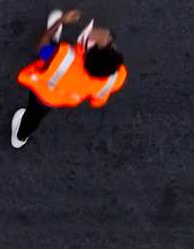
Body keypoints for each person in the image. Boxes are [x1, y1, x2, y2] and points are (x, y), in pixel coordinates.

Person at [10, 8, 129, 149]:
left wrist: (61, 21)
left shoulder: (61, 58)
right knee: (35, 117)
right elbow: (97, 100)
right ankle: (20, 137)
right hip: (63, 97)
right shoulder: (116, 77)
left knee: (33, 114)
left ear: (87, 55)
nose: (109, 40)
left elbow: (41, 48)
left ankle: (20, 136)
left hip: (43, 92)